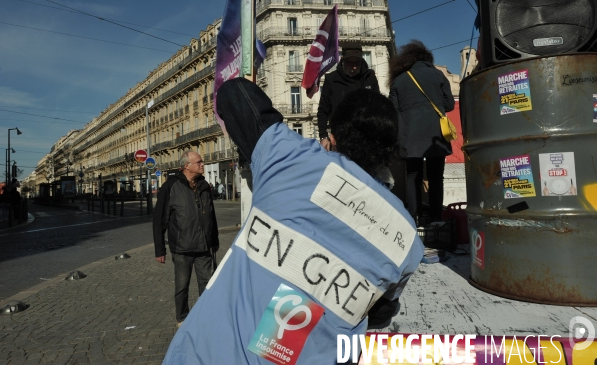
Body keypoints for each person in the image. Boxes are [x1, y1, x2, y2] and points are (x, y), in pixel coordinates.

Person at [163, 78, 423, 364]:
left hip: (207, 353)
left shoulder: (291, 157)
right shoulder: (407, 236)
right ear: (390, 149)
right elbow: (381, 313)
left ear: (333, 137)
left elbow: (233, 93)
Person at [388, 40, 455, 225]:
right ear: (427, 59)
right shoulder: (437, 75)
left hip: (409, 135)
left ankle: (414, 217)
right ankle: (436, 217)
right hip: (436, 135)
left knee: (413, 175)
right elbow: (449, 104)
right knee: (435, 177)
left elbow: (391, 110)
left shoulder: (399, 80)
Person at [152, 151, 219, 327]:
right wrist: (160, 249)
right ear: (187, 165)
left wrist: (214, 241)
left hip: (204, 246)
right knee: (182, 286)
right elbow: (159, 220)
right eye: (199, 162)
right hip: (182, 247)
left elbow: (211, 216)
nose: (202, 164)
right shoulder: (170, 187)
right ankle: (182, 317)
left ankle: (206, 315)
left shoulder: (204, 186)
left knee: (207, 283)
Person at [317, 43, 380, 150]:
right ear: (343, 60)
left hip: (366, 138)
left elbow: (378, 107)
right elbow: (323, 110)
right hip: (340, 138)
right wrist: (323, 136)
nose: (354, 67)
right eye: (350, 63)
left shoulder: (370, 77)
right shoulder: (331, 79)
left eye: (357, 63)